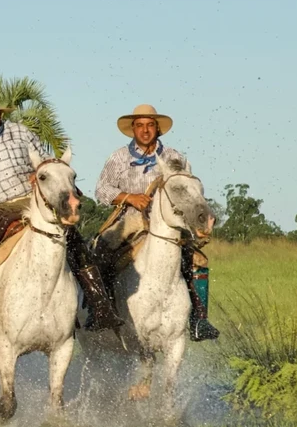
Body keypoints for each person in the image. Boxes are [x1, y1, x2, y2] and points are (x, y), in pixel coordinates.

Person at [0, 94, 124, 330]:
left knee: (73, 240)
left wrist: (39, 171)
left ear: (0, 115)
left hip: (32, 200)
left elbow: (43, 160)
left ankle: (100, 304)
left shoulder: (20, 132)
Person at [93, 103, 218, 341]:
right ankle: (101, 311)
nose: (145, 130)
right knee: (101, 251)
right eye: (140, 126)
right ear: (133, 129)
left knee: (198, 261)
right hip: (130, 218)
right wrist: (130, 198)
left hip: (169, 222)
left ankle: (199, 320)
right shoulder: (119, 157)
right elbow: (101, 189)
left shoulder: (173, 157)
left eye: (150, 125)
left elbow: (187, 188)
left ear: (157, 129)